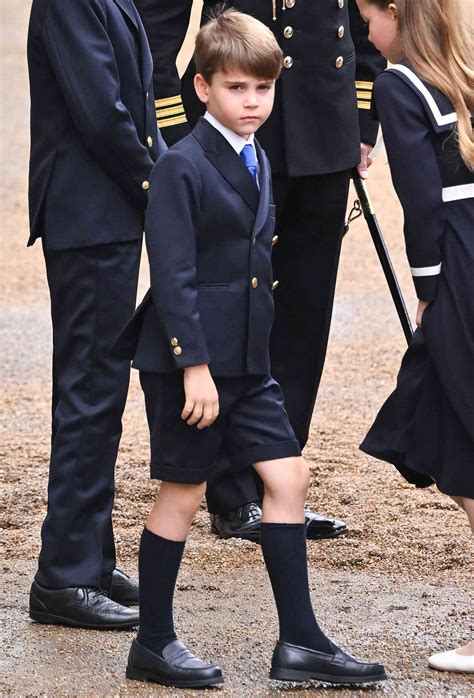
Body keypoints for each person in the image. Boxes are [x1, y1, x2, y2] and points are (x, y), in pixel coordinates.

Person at [115, 9, 387, 688]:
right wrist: (195, 367)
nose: (254, 103)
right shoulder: (181, 166)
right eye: (237, 90)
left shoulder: (257, 154)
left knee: (288, 478)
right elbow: (173, 275)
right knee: (181, 493)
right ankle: (153, 641)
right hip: (196, 364)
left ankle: (300, 643)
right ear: (202, 87)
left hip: (248, 366)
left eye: (262, 90)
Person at [27, 0, 166, 629]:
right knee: (89, 390)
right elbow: (101, 115)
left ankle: (90, 555)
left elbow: (138, 103)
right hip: (88, 216)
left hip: (105, 213)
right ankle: (63, 577)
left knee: (100, 390)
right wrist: (156, 186)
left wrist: (164, 172)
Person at [356, 0, 474, 675]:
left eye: (365, 14)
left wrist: (427, 290)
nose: (361, 30)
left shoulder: (400, 83)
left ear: (394, 14)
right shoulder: (461, 72)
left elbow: (421, 201)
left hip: (457, 264)